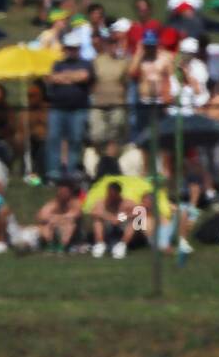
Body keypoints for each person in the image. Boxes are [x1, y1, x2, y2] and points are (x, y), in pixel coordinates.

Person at [44, 33, 93, 181]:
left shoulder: (86, 63)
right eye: (69, 48)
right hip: (57, 108)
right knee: (54, 139)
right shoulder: (57, 64)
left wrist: (63, 77)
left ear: (78, 49)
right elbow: (50, 78)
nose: (72, 51)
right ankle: (53, 173)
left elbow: (84, 76)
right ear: (65, 49)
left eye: (74, 48)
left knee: (76, 140)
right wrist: (73, 77)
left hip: (78, 109)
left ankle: (71, 172)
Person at [89, 181, 146, 259]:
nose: (111, 196)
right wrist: (110, 217)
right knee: (97, 220)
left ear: (118, 193)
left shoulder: (126, 202)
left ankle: (122, 245)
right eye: (109, 193)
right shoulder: (102, 202)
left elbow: (140, 211)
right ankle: (100, 244)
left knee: (134, 221)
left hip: (123, 227)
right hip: (108, 228)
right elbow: (94, 212)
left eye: (113, 194)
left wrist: (121, 218)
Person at [35, 180, 83, 252]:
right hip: (55, 228)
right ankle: (50, 245)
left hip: (72, 232)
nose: (62, 193)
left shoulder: (75, 202)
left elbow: (76, 215)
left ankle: (62, 247)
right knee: (44, 225)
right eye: (61, 191)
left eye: (65, 191)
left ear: (70, 192)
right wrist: (54, 219)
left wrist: (55, 218)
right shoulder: (54, 203)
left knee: (70, 224)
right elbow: (41, 216)